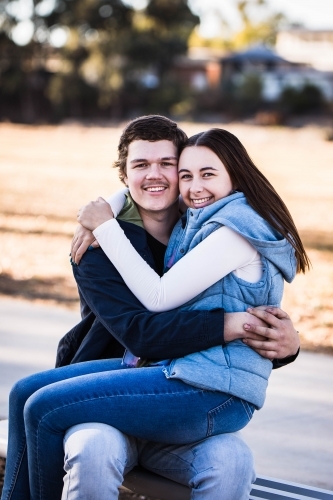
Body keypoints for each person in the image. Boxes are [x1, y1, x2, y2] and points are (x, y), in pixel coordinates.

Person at [1, 117, 300, 500]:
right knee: (25, 393)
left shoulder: (201, 225)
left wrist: (285, 345)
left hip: (177, 382)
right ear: (124, 176)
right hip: (137, 373)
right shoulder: (97, 250)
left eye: (169, 166)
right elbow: (143, 334)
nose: (157, 176)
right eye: (140, 166)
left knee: (231, 461)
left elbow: (234, 303)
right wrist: (104, 215)